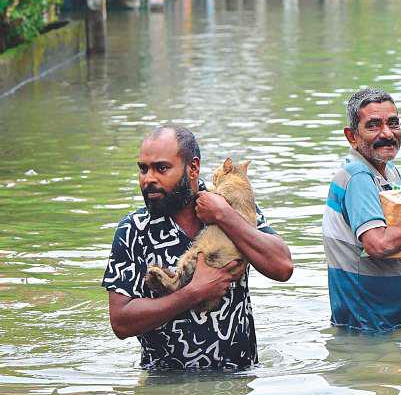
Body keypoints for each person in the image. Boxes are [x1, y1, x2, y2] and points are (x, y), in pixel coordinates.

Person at [102, 126, 293, 369]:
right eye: (143, 169)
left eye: (161, 168)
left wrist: (224, 216)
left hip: (238, 378)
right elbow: (120, 323)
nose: (148, 179)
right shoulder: (133, 229)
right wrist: (194, 292)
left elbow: (283, 267)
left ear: (193, 168)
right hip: (165, 382)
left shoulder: (229, 205)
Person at [322, 88, 401, 332]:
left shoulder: (390, 172)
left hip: (386, 323)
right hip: (365, 326)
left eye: (393, 123)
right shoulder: (358, 176)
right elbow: (378, 244)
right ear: (352, 136)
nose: (388, 133)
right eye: (373, 125)